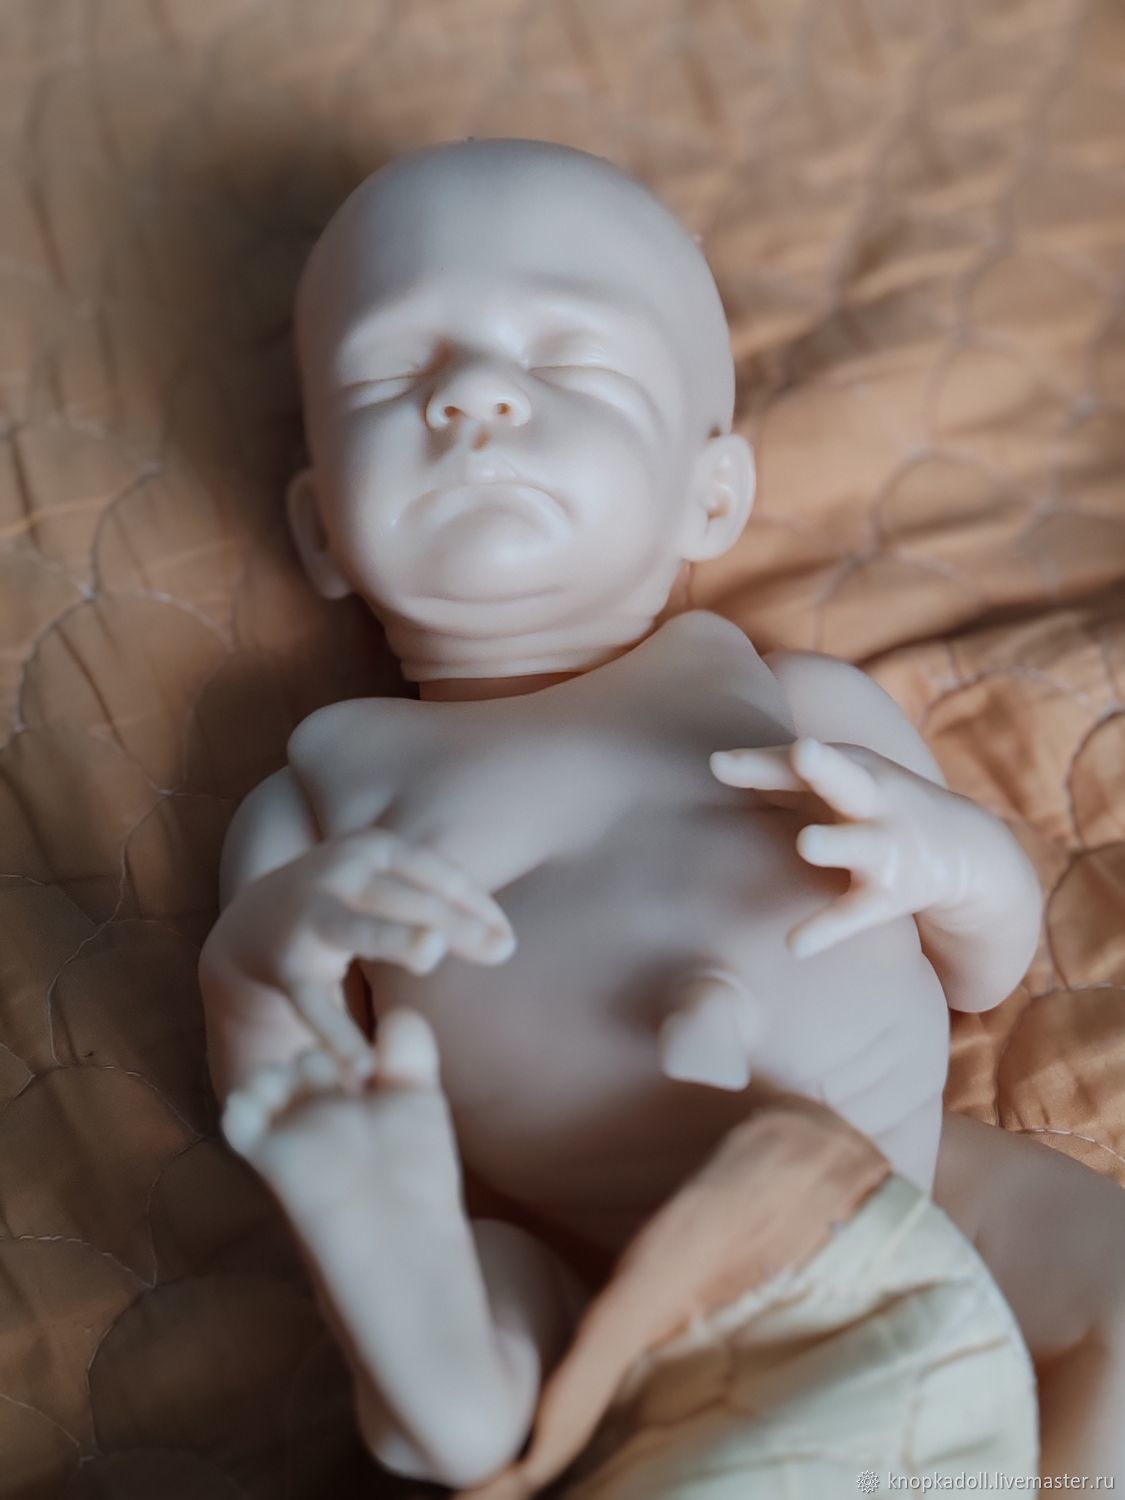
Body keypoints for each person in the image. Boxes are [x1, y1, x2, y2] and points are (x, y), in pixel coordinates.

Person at [198, 140, 1123, 1489]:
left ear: (711, 494)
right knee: (495, 1280)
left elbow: (988, 969)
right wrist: (259, 964)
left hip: (903, 1194)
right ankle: (437, 1357)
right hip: (603, 1255)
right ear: (322, 530)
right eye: (393, 376)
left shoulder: (801, 704)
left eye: (568, 363)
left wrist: (947, 862)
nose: (472, 397)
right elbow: (284, 1086)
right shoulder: (324, 799)